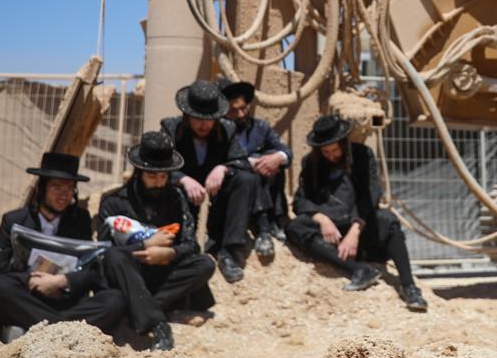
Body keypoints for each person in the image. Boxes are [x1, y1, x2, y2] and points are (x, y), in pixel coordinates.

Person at [286, 114, 428, 311]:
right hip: (332, 234)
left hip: (361, 228)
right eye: (325, 152)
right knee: (295, 227)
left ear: (343, 144)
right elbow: (300, 200)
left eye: (335, 150)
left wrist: (355, 230)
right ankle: (360, 270)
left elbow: (371, 195)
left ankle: (409, 287)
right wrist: (322, 219)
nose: (331, 155)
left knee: (387, 220)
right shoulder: (311, 163)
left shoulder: (362, 155)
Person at [0, 153, 125, 342]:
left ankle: (33, 328)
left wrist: (62, 281)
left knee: (114, 300)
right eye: (57, 187)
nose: (64, 195)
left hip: (64, 301)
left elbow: (90, 270)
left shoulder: (80, 220)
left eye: (69, 188)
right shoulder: (14, 220)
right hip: (27, 298)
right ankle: (65, 332)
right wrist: (30, 279)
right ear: (41, 189)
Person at [98, 131, 216, 351]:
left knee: (205, 263)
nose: (159, 182)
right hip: (129, 275)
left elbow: (191, 245)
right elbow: (104, 253)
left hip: (164, 274)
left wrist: (169, 253)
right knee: (114, 256)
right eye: (152, 176)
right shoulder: (113, 202)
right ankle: (158, 324)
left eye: (163, 176)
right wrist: (145, 246)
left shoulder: (176, 198)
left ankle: (143, 307)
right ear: (139, 173)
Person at [161, 80, 261, 283]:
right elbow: (158, 166)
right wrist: (183, 179)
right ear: (187, 115)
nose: (203, 125)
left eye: (209, 119)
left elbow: (242, 162)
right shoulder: (170, 128)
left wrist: (223, 168)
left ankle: (229, 250)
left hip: (216, 203)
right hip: (183, 203)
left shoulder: (227, 129)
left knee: (245, 179)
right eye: (197, 119)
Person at [221, 79, 292, 255]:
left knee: (274, 162)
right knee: (252, 173)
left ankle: (276, 220)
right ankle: (264, 228)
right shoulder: (220, 131)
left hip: (264, 184)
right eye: (233, 111)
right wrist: (251, 163)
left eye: (243, 108)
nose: (241, 114)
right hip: (236, 186)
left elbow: (286, 151)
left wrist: (277, 157)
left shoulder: (260, 127)